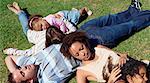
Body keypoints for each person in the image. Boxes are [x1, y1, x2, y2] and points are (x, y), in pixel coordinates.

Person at [3, 0, 150, 56]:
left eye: (40, 24)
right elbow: (29, 52)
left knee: (110, 18)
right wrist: (11, 51)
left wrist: (21, 13)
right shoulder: (41, 40)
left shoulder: (35, 29)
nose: (43, 28)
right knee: (127, 27)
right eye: (39, 28)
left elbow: (25, 25)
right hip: (89, 39)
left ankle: (132, 10)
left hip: (85, 28)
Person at [7, 2, 92, 34]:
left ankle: (84, 9)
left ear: (41, 19)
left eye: (41, 26)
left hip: (64, 16)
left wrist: (64, 31)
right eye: (41, 29)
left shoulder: (51, 20)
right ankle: (19, 11)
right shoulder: (44, 23)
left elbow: (61, 23)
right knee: (74, 20)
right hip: (60, 19)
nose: (44, 28)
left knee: (76, 17)